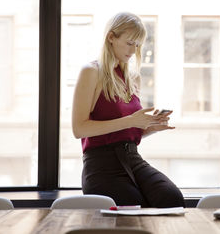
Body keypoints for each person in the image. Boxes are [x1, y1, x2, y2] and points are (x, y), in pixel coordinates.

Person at [72, 12, 184, 208]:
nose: (133, 51)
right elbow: (79, 129)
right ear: (111, 38)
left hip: (132, 157)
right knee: (132, 204)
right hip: (101, 164)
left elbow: (126, 130)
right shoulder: (91, 72)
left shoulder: (134, 78)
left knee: (171, 198)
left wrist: (149, 127)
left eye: (138, 45)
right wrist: (131, 121)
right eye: (130, 43)